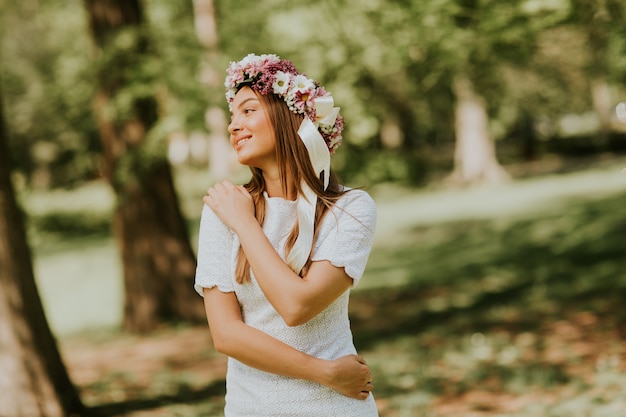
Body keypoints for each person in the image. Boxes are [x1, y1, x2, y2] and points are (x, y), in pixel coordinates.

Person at [194, 53, 379, 416]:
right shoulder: (224, 209)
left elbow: (297, 306)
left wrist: (246, 225)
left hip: (335, 409)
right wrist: (325, 372)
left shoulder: (350, 209)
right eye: (232, 116)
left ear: (289, 117)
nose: (233, 126)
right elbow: (226, 335)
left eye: (248, 111)